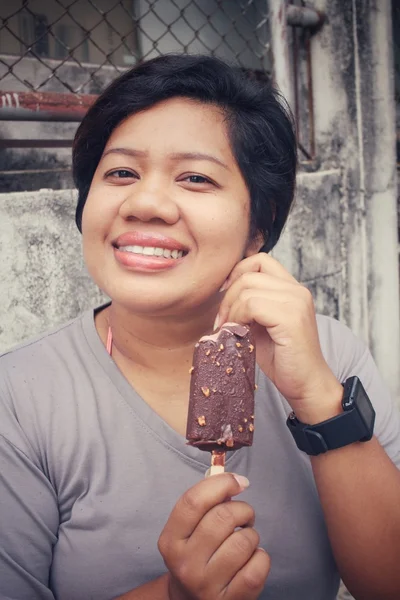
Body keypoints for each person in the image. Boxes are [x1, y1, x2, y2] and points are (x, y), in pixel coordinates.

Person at [0, 54, 399, 600]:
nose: (145, 202)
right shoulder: (16, 398)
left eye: (195, 177)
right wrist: (174, 595)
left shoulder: (330, 353)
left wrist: (320, 400)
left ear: (259, 225)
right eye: (120, 172)